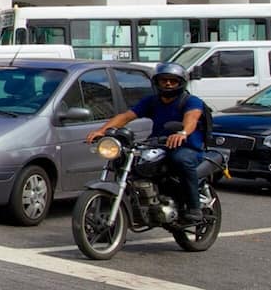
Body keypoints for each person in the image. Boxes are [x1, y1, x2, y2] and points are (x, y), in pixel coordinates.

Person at [88, 62, 212, 223]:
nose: (168, 84)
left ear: (180, 83)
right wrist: (102, 131)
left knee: (180, 160)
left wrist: (183, 133)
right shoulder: (152, 101)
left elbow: (192, 118)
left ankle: (194, 207)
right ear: (157, 82)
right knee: (130, 161)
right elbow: (126, 116)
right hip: (159, 144)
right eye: (164, 80)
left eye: (172, 81)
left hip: (186, 147)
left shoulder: (191, 101)